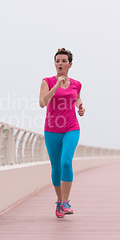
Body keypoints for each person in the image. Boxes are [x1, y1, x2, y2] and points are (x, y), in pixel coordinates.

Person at [39, 48, 85, 218]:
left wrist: (80, 107)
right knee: (56, 167)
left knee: (66, 162)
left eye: (64, 61)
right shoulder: (47, 81)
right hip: (51, 129)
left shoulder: (76, 84)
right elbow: (42, 103)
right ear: (55, 63)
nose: (60, 63)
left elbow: (77, 98)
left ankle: (65, 202)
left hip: (71, 127)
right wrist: (57, 85)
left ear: (70, 64)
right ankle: (59, 201)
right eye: (58, 60)